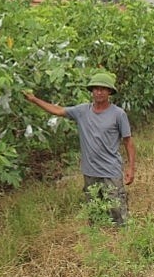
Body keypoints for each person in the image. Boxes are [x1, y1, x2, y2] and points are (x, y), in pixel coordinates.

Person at [23, 70, 136, 225]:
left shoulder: (118, 114)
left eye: (102, 89)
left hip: (111, 170)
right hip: (90, 172)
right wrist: (34, 100)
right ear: (91, 92)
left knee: (117, 210)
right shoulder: (82, 111)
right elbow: (58, 110)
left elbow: (128, 141)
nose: (98, 92)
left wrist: (131, 168)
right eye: (95, 89)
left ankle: (124, 240)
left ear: (109, 91)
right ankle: (99, 242)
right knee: (94, 211)